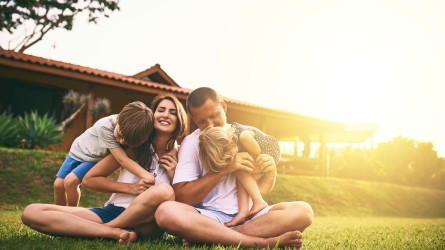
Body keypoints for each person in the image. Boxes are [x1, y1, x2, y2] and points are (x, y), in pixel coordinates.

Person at [155, 87, 313, 248]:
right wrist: (226, 168)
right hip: (210, 216)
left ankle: (215, 235)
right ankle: (262, 242)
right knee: (165, 212)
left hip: (252, 216)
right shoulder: (192, 142)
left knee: (304, 211)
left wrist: (271, 170)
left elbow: (262, 190)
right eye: (202, 122)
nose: (210, 125)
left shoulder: (245, 136)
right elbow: (182, 197)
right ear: (194, 120)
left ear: (223, 106)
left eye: (214, 116)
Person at [22, 93, 187, 242]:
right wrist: (131, 188)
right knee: (32, 212)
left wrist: (174, 175)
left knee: (164, 190)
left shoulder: (182, 154)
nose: (166, 115)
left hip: (149, 222)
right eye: (161, 110)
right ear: (152, 115)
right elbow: (90, 180)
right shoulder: (134, 146)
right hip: (114, 211)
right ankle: (112, 233)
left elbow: (186, 203)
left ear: (180, 119)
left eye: (172, 112)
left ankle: (106, 229)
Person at [54, 101, 155, 206]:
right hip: (78, 150)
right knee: (58, 185)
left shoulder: (130, 127)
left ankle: (69, 214)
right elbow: (122, 160)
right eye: (120, 135)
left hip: (93, 157)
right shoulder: (105, 127)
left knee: (71, 181)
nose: (121, 141)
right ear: (118, 119)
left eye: (127, 141)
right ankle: (56, 216)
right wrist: (147, 176)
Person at [198, 122, 281, 227]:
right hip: (263, 154)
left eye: (229, 157)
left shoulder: (243, 136)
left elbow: (256, 149)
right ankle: (244, 211)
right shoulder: (233, 139)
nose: (230, 161)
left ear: (231, 143)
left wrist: (257, 158)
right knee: (241, 174)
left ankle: (258, 202)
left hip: (269, 151)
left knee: (240, 170)